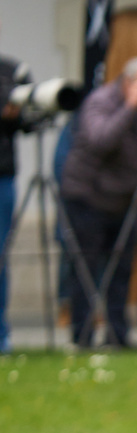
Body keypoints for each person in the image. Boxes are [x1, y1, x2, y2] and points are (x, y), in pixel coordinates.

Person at [60, 56, 137, 348]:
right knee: (86, 270)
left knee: (122, 270)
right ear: (128, 81)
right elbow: (101, 140)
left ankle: (118, 335)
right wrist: (131, 107)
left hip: (125, 200)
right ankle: (83, 336)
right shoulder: (100, 101)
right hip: (88, 197)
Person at [0, 43, 26, 352]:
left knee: (1, 256)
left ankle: (1, 333)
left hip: (3, 176)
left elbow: (28, 123)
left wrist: (16, 114)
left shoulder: (11, 70)